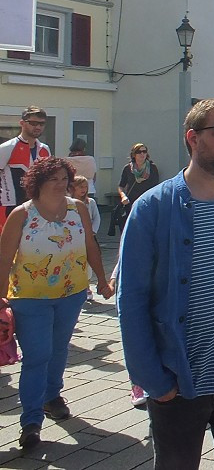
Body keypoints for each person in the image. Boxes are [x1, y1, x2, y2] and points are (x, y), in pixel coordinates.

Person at [116, 98, 214, 470]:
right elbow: (130, 298)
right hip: (179, 383)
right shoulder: (152, 207)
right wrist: (154, 381)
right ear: (192, 138)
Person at [0, 156, 111, 452]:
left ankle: (52, 396)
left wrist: (101, 278)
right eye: (55, 179)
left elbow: (90, 244)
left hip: (72, 293)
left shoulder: (79, 210)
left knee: (59, 349)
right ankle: (31, 422)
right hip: (29, 298)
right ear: (38, 183)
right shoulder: (22, 215)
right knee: (38, 356)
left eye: (65, 179)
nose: (62, 185)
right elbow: (4, 259)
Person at [0, 106, 52, 225]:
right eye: (33, 123)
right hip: (9, 206)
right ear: (22, 123)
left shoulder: (45, 149)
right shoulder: (7, 148)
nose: (38, 127)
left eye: (41, 124)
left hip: (36, 206)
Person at [111, 143, 160, 237]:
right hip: (131, 203)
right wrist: (123, 196)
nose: (142, 154)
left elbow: (156, 187)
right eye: (139, 152)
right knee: (131, 228)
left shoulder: (152, 168)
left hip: (147, 203)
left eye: (144, 151)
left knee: (146, 229)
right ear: (134, 154)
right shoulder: (128, 168)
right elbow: (121, 186)